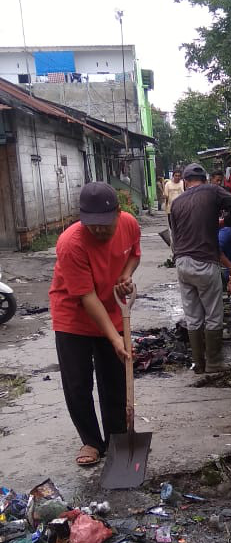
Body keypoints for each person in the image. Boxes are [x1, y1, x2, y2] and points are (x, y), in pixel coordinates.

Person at [49, 182, 141, 467]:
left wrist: (124, 277)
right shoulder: (70, 243)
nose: (99, 230)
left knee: (114, 378)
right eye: (92, 225)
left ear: (117, 213)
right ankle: (90, 440)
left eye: (105, 224)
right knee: (77, 383)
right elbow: (87, 298)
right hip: (73, 316)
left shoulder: (129, 225)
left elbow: (134, 255)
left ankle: (117, 438)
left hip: (112, 308)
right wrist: (114, 338)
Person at [170, 162, 231, 374]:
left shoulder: (176, 203)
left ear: (185, 182)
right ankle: (213, 362)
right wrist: (223, 222)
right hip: (205, 262)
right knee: (213, 314)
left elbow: (174, 238)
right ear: (204, 179)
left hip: (182, 263)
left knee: (193, 315)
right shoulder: (212, 191)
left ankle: (199, 364)